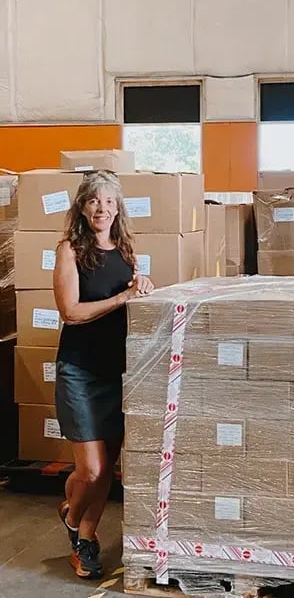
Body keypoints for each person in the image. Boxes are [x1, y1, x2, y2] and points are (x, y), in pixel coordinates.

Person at [53, 170, 154, 579]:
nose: (102, 208)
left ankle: (86, 540)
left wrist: (142, 286)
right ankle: (72, 519)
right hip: (79, 371)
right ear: (82, 207)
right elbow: (71, 312)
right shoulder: (70, 250)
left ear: (118, 208)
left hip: (118, 372)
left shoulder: (125, 250)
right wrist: (123, 297)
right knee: (91, 470)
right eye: (94, 200)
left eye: (109, 201)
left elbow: (131, 301)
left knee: (107, 468)